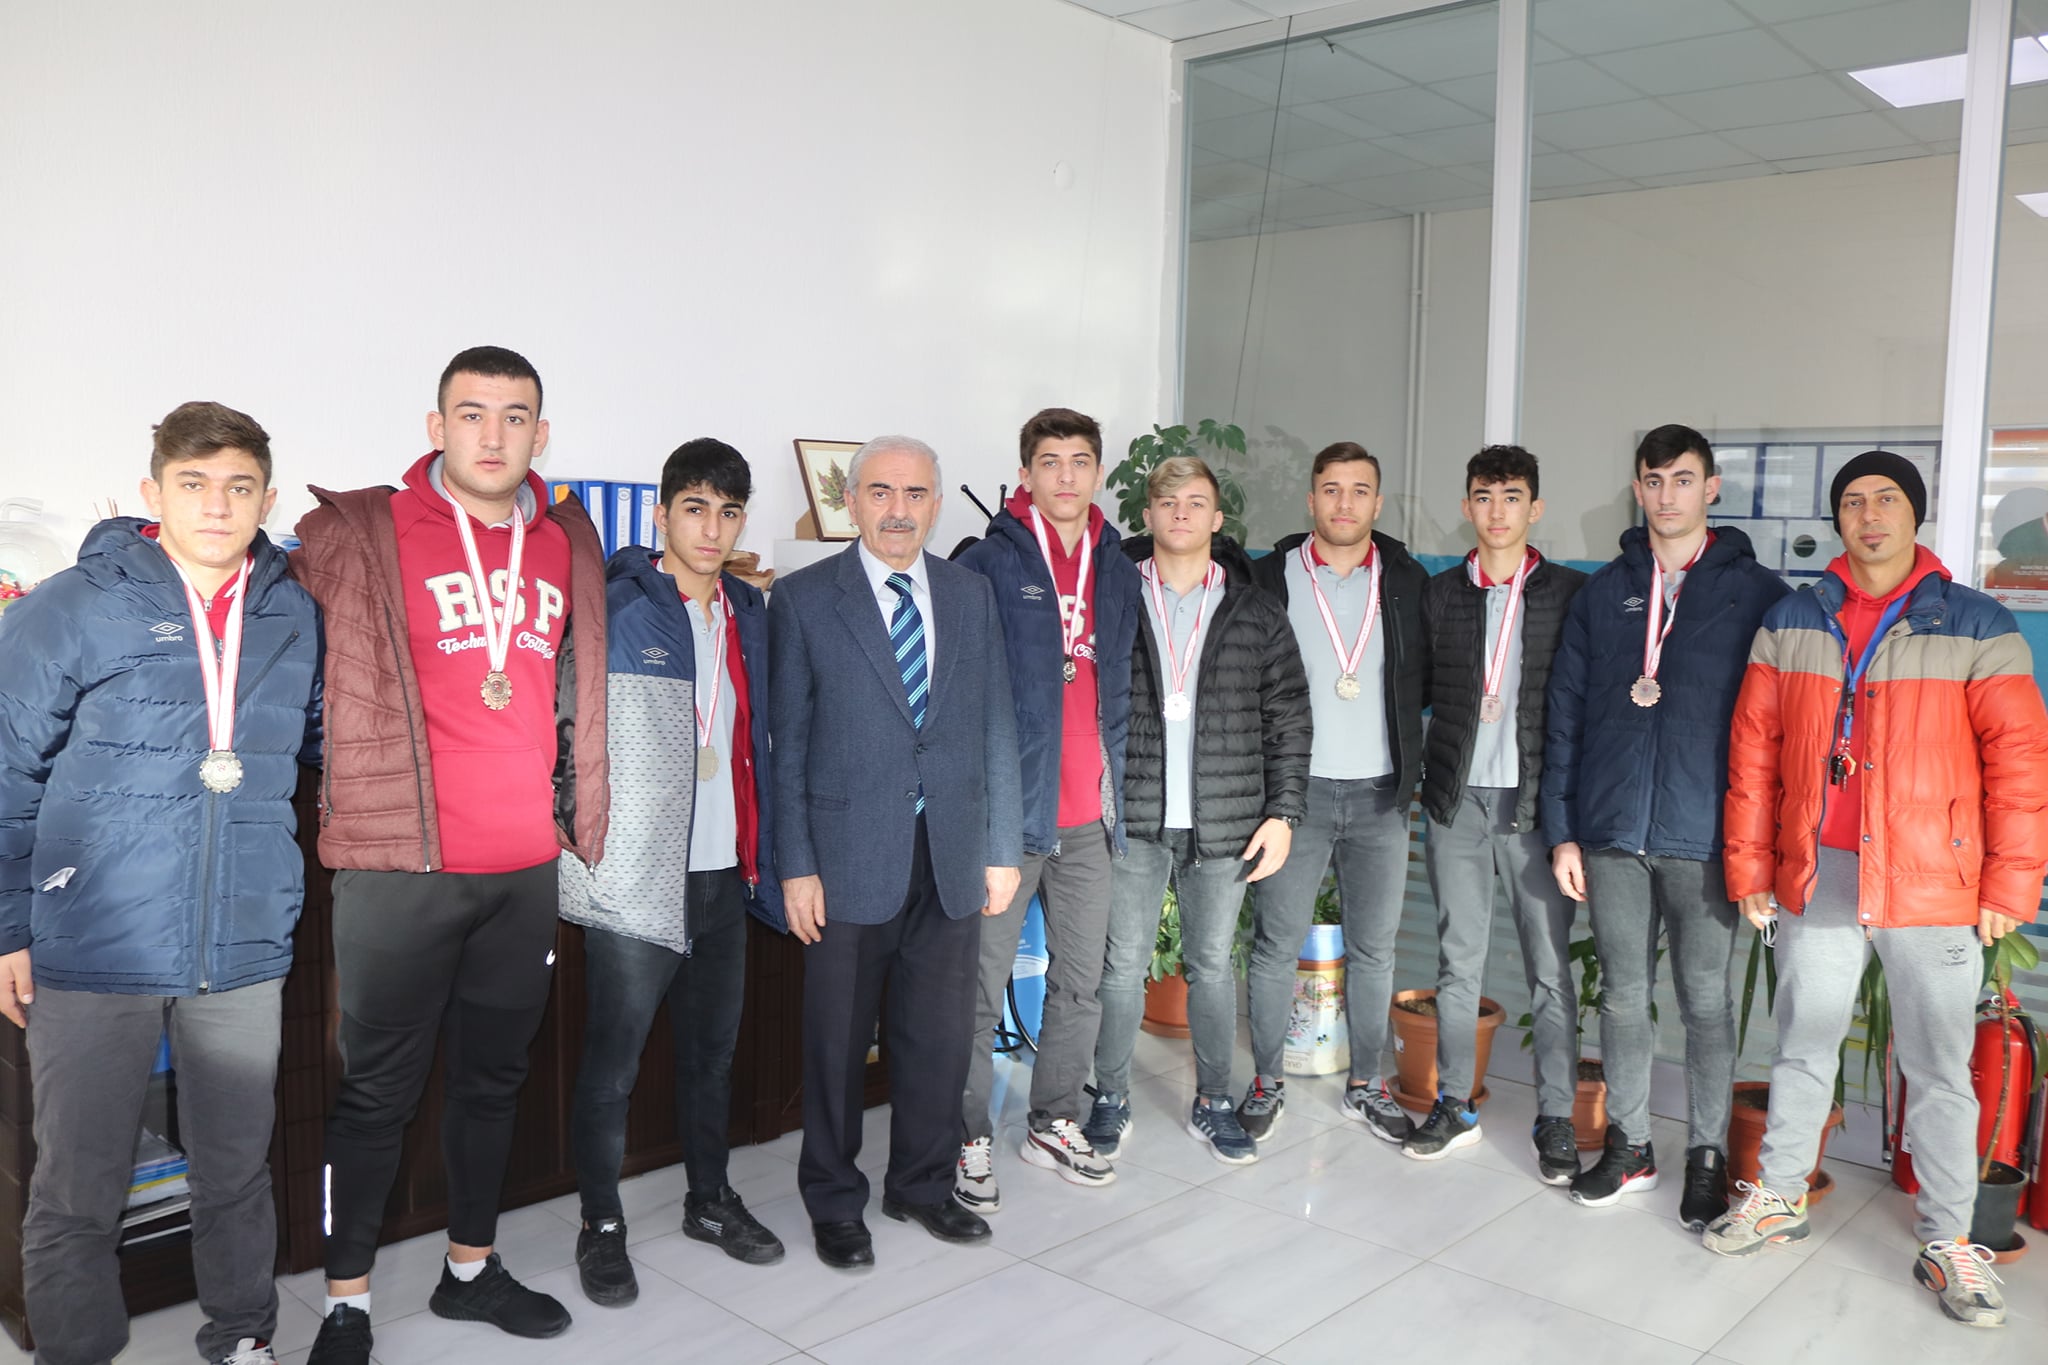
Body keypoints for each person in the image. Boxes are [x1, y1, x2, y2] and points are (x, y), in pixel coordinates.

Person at [294, 347, 609, 1364]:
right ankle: (346, 1302)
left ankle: (470, 1270)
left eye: (514, 416)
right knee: (375, 1095)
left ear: (540, 435)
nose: (492, 434)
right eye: (471, 413)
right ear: (436, 428)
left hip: (522, 872)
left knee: (491, 1084)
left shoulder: (563, 542)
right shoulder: (362, 533)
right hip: (398, 871)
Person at [0, 402, 321, 1365]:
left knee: (236, 1171)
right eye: (194, 483)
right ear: (154, 492)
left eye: (238, 486)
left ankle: (242, 1337)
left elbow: (330, 741)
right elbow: (5, 770)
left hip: (242, 943)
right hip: (95, 942)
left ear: (266, 498)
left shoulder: (291, 611)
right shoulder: (72, 604)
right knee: (78, 1186)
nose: (217, 504)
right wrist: (8, 926)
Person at [1709, 451, 2048, 1328]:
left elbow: (2020, 762)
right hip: (1819, 868)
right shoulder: (1794, 617)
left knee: (1938, 1066)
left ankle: (1950, 1240)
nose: (1869, 515)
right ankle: (1780, 1194)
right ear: (1838, 518)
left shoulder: (1976, 622)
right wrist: (1750, 866)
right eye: (1853, 501)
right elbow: (1752, 751)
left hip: (1934, 878)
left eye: (1886, 499)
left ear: (1914, 513)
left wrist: (2010, 883)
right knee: (1802, 1043)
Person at [769, 435, 1023, 1269]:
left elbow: (994, 722)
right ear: (852, 502)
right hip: (845, 859)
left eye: (916, 494)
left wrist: (1000, 847)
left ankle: (921, 1183)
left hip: (950, 852)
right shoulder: (805, 598)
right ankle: (834, 1200)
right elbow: (786, 746)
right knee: (836, 1045)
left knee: (938, 1038)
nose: (898, 509)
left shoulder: (970, 593)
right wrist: (796, 865)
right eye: (880, 491)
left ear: (937, 504)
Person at [560, 438, 787, 1307]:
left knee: (711, 1056)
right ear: (662, 514)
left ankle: (709, 1199)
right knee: (612, 1065)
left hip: (723, 871)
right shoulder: (618, 606)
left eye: (728, 512)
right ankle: (600, 1223)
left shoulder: (749, 611)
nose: (712, 528)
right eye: (694, 508)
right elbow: (570, 733)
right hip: (636, 876)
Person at [1543, 423, 1787, 1225]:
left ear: (1711, 487)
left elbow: (1778, 731)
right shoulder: (1601, 592)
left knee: (1706, 1001)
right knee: (1621, 996)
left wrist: (1761, 848)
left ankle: (1707, 1154)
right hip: (1612, 832)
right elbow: (1564, 716)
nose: (1667, 494)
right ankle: (1631, 1145)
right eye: (1653, 480)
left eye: (1683, 479)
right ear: (1637, 488)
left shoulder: (1758, 595)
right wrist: (1563, 829)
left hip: (1705, 836)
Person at [1083, 455, 1311, 1166]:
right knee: (1122, 965)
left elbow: (1289, 717)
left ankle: (1214, 1100)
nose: (1181, 512)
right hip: (1133, 815)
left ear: (1218, 518)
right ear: (1147, 515)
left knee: (1212, 964)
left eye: (1195, 501)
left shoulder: (1256, 610)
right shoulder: (1112, 600)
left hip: (1226, 819)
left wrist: (1283, 812)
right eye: (1167, 501)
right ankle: (1110, 1095)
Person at [953, 409, 1140, 1209]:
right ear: (1025, 472)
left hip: (1089, 816)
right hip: (1009, 818)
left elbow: (1123, 685)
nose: (1067, 475)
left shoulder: (1118, 566)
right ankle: (965, 1134)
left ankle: (1053, 1119)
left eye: (1081, 461)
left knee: (1080, 982)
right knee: (977, 985)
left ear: (1097, 472)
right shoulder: (988, 561)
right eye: (1051, 461)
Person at [1238, 442, 1424, 1144]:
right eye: (1332, 489)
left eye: (1359, 490)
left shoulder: (1405, 581)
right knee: (1274, 945)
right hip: (1295, 798)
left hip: (1381, 797)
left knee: (1375, 951)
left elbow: (1423, 680)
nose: (1345, 503)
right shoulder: (1269, 577)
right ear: (1311, 499)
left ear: (1379, 503)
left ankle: (1366, 1084)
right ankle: (1266, 1080)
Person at [1411, 446, 1586, 1174]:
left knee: (1550, 969)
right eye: (1483, 497)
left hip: (1535, 805)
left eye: (1512, 497)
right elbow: (1415, 689)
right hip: (1457, 802)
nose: (1497, 511)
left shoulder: (1569, 594)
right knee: (1458, 960)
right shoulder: (1440, 594)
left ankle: (1557, 1116)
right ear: (1467, 508)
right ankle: (1454, 1102)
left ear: (1534, 508)